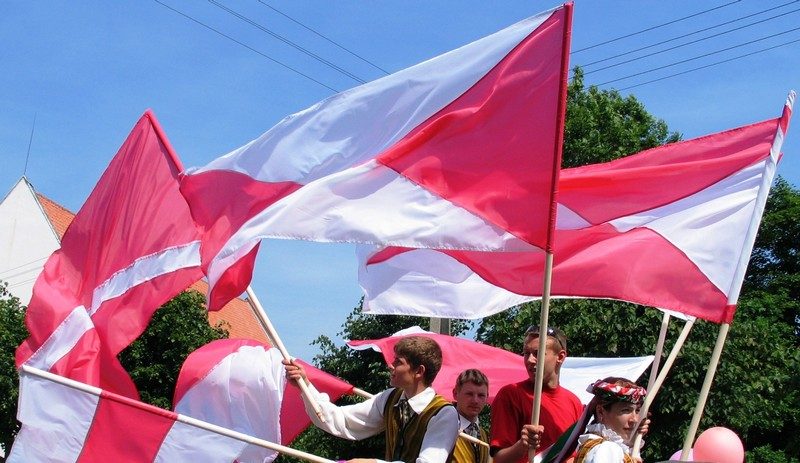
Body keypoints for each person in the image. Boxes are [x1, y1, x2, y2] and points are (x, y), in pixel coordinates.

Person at [284, 335, 459, 463]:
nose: (391, 366)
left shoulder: (444, 414)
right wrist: (305, 385)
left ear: (419, 372)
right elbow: (343, 421)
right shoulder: (390, 398)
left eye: (398, 362)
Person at [489, 325, 583, 463]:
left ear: (560, 357)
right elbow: (498, 459)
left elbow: (575, 454)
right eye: (526, 353)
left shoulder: (574, 402)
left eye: (537, 353)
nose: (529, 360)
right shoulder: (510, 394)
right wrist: (523, 445)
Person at [573, 377, 647, 463]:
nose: (634, 419)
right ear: (601, 412)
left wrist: (633, 442)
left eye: (637, 410)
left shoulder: (598, 445)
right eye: (626, 410)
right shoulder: (607, 449)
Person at [451, 369, 490, 463]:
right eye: (469, 394)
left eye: (481, 395)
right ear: (455, 394)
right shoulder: (443, 428)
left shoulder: (483, 435)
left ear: (487, 397)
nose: (475, 401)